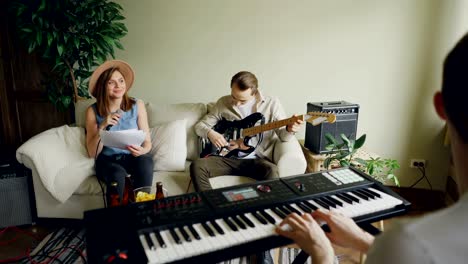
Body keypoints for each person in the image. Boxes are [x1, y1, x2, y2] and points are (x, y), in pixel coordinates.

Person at [276, 33, 468, 264]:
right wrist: (362, 239)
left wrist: (321, 250)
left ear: (440, 106)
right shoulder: (412, 246)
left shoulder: (411, 243)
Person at [190, 71, 303, 191]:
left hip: (257, 160)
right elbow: (200, 126)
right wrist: (211, 133)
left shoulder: (271, 104)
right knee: (197, 165)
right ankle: (210, 202)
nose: (237, 104)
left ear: (254, 93)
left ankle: (262, 207)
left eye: (242, 101)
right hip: (226, 158)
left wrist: (289, 129)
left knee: (272, 171)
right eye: (234, 97)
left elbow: (283, 137)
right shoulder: (223, 102)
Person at [85, 60, 154, 205]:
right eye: (111, 82)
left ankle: (142, 211)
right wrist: (102, 126)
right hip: (108, 161)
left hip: (133, 157)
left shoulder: (137, 105)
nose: (118, 86)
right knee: (117, 174)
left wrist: (142, 150)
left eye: (121, 81)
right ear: (103, 86)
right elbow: (92, 153)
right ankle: (118, 221)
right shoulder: (92, 111)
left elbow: (147, 142)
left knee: (146, 161)